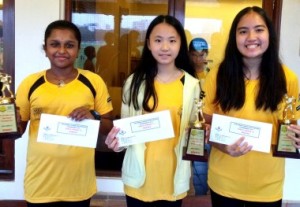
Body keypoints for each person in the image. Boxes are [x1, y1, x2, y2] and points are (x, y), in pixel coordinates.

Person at [203, 6, 299, 207]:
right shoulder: (218, 75)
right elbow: (205, 124)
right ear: (234, 37)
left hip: (267, 185)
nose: (251, 37)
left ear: (269, 35)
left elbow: (293, 124)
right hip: (224, 182)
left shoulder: (287, 79)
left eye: (259, 29)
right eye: (243, 31)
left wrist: (296, 136)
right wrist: (222, 145)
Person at [105, 15, 200, 207]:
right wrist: (117, 143)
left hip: (173, 177)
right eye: (158, 40)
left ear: (181, 44)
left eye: (172, 41)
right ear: (148, 44)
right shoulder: (134, 82)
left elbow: (193, 128)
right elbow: (125, 129)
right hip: (139, 176)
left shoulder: (191, 85)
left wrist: (199, 139)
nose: (165, 47)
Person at [16, 20, 113, 207]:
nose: (62, 50)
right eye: (55, 44)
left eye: (69, 45)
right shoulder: (30, 83)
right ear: (45, 49)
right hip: (40, 183)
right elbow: (18, 130)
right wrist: (6, 122)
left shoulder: (93, 81)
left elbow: (108, 127)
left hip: (78, 185)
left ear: (78, 49)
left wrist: (94, 117)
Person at [188, 37, 210, 196]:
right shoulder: (184, 74)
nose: (198, 59)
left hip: (208, 125)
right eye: (194, 55)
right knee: (190, 166)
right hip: (189, 125)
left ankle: (202, 196)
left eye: (201, 55)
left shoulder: (213, 74)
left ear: (207, 55)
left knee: (204, 166)